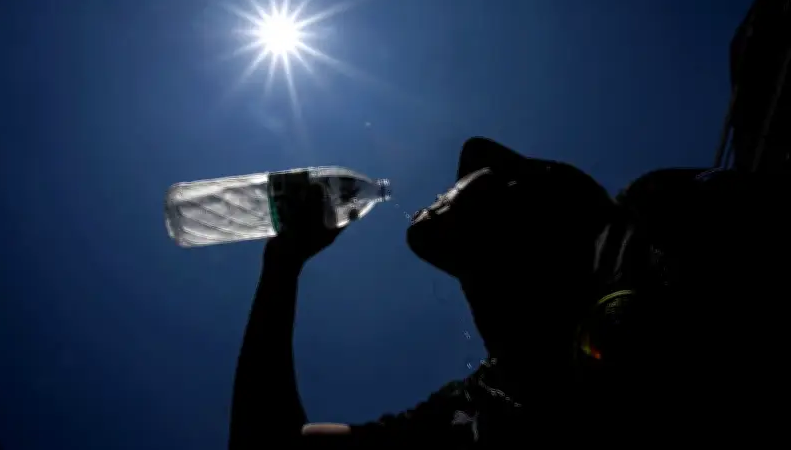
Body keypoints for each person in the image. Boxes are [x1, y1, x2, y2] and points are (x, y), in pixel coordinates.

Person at [228, 137, 790, 448]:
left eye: (481, 172)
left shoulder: (652, 238)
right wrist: (281, 267)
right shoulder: (476, 404)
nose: (451, 182)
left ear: (539, 206)